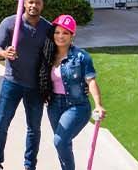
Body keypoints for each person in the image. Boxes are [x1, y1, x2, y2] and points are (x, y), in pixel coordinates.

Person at [0, 0, 53, 170]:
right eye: (30, 2)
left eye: (37, 3)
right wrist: (4, 53)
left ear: (42, 6)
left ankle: (30, 165)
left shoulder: (47, 28)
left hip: (35, 86)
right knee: (1, 124)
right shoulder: (10, 23)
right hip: (12, 82)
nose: (33, 6)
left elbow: (55, 52)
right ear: (24, 4)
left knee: (34, 128)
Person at [39, 14, 105, 170]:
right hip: (54, 105)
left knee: (60, 141)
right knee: (62, 144)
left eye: (65, 33)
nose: (60, 36)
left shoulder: (81, 57)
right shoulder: (48, 54)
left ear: (72, 35)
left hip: (77, 106)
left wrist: (98, 105)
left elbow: (91, 81)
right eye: (57, 32)